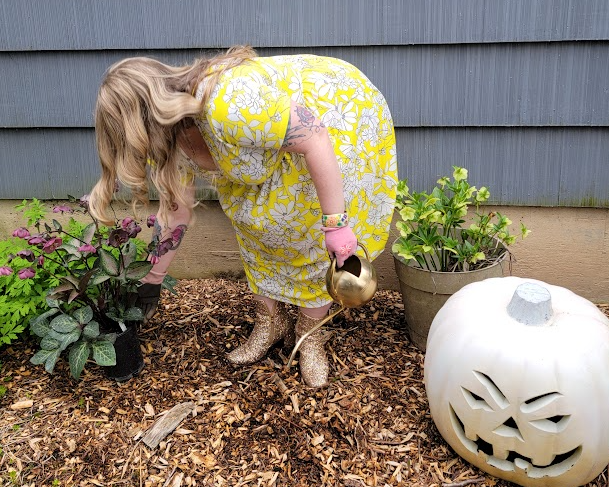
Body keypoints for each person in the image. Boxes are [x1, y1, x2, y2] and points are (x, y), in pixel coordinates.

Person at [88, 46, 397, 388]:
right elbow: (178, 208)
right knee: (253, 221)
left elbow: (315, 137)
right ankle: (270, 322)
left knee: (310, 232)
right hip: (269, 153)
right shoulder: (168, 133)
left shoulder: (230, 105)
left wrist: (336, 224)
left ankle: (309, 334)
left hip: (336, 117)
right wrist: (152, 278)